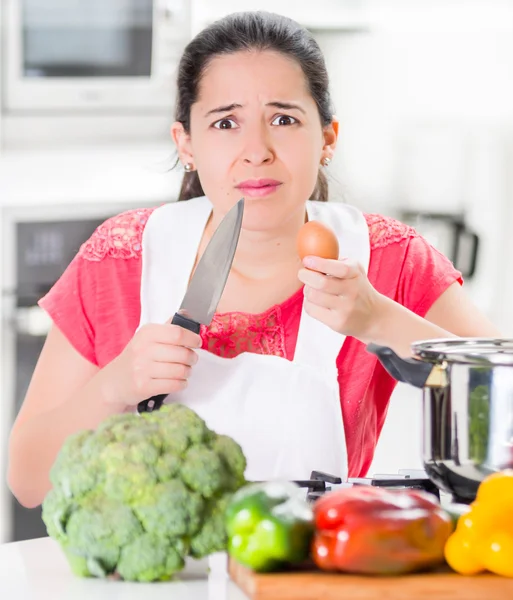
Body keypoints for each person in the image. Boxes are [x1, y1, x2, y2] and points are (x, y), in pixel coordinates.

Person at [7, 11, 500, 509]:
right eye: (225, 122)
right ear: (187, 144)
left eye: (284, 119)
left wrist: (379, 318)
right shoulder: (120, 258)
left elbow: (501, 411)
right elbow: (27, 482)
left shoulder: (389, 258)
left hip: (315, 575)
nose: (256, 151)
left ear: (327, 138)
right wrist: (112, 388)